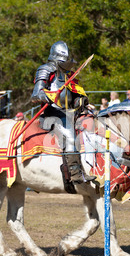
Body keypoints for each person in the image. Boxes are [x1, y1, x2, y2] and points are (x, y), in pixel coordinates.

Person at [30, 40, 95, 184]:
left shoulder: (68, 76)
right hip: (51, 113)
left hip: (69, 112)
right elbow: (35, 95)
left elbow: (75, 96)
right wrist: (48, 96)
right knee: (69, 134)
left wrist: (81, 102)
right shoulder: (45, 69)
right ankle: (75, 173)